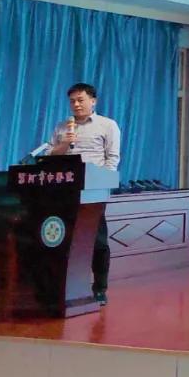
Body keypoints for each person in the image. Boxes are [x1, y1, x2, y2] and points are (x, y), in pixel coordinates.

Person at [49, 83, 120, 305]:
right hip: (65, 190)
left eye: (80, 100)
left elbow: (112, 159)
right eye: (72, 101)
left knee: (97, 241)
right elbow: (51, 156)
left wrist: (103, 184)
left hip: (93, 190)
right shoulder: (62, 127)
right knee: (66, 239)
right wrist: (64, 143)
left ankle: (100, 288)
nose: (76, 105)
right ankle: (67, 287)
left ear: (93, 101)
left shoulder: (107, 125)